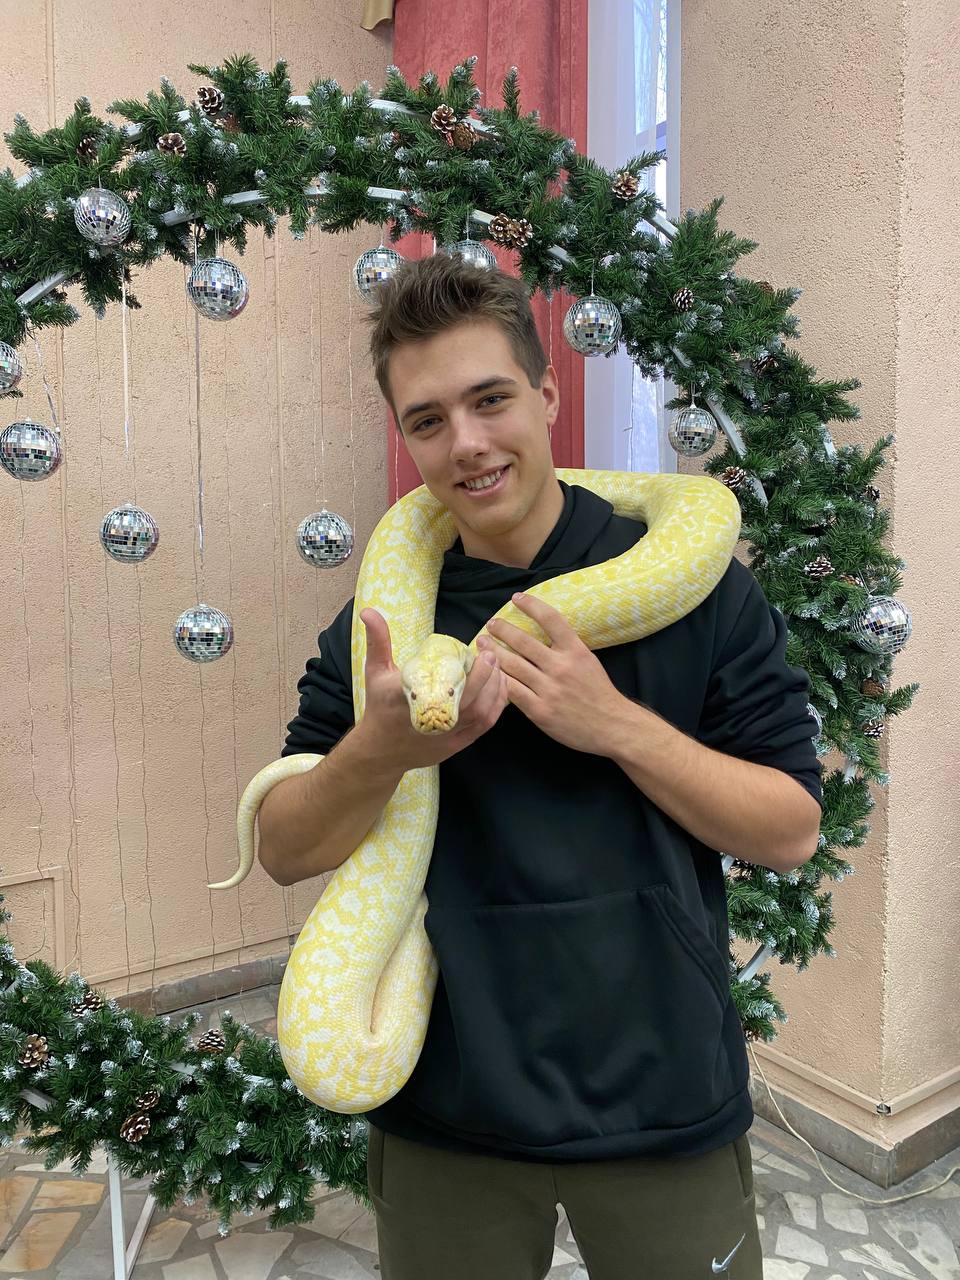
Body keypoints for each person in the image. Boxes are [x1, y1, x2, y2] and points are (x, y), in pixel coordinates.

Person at [257, 253, 824, 1280]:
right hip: (448, 1112)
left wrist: (615, 725)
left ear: (549, 395)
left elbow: (790, 830)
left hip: (664, 1101)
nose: (467, 442)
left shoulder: (697, 588)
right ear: (406, 440)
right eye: (429, 420)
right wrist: (382, 750)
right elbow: (285, 847)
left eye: (491, 399)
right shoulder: (383, 626)